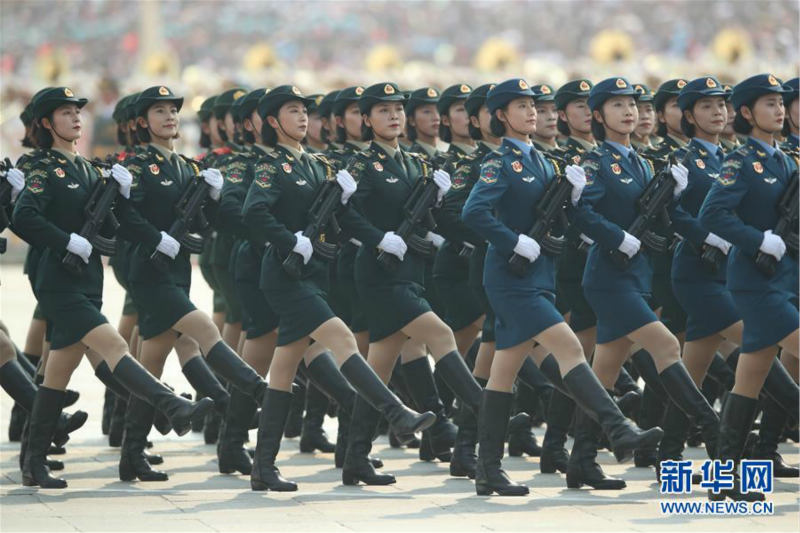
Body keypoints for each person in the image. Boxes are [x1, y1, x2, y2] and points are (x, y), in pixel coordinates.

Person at [462, 78, 663, 496]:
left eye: (533, 105)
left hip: (538, 277)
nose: (532, 112)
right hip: (510, 279)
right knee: (570, 347)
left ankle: (487, 468)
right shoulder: (500, 162)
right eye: (520, 106)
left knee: (504, 372)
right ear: (501, 115)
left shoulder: (545, 162)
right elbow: (474, 211)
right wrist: (513, 240)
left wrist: (571, 199)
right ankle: (618, 427)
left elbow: (562, 219)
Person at [12, 86, 213, 488]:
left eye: (77, 113)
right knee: (115, 346)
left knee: (58, 372)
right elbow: (23, 218)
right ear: (46, 124)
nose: (75, 119)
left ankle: (34, 460)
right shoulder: (41, 168)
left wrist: (119, 196)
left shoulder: (88, 168)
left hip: (87, 280)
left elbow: (113, 225)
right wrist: (65, 240)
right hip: (58, 281)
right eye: (65, 114)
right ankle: (169, 405)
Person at [241, 85, 436, 491]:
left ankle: (263, 466)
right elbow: (252, 211)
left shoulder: (317, 165)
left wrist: (343, 204)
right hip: (283, 276)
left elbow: (341, 221)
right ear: (273, 122)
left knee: (283, 369)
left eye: (304, 112)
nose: (302, 118)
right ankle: (396, 411)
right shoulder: (272, 166)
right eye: (292, 112)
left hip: (311, 276)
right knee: (342, 338)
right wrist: (289, 239)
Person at [117, 85, 267, 481]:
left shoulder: (186, 167)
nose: (169, 117)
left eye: (173, 111)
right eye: (160, 112)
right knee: (201, 326)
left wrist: (217, 198)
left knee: (151, 359)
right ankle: (251, 392)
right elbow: (124, 216)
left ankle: (131, 453)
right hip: (147, 272)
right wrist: (155, 237)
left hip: (176, 272)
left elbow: (217, 222)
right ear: (141, 123)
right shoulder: (135, 166)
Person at [700, 73, 800, 500]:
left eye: (781, 103)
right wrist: (759, 240)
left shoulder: (787, 160)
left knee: (749, 379)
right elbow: (712, 215)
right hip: (756, 284)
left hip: (785, 279)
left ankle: (723, 480)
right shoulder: (740, 161)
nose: (779, 109)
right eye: (768, 103)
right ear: (746, 112)